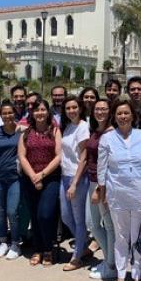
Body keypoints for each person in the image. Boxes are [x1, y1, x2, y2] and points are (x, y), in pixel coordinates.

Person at [98, 98, 141, 281]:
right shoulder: (107, 138)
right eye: (119, 113)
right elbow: (101, 168)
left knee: (138, 237)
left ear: (133, 115)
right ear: (114, 116)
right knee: (121, 237)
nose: (123, 116)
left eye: (126, 113)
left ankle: (137, 276)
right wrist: (103, 193)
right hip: (116, 194)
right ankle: (121, 276)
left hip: (139, 193)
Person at [18, 99, 62, 266]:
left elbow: (59, 156)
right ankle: (38, 249)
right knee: (35, 216)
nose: (40, 113)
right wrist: (33, 175)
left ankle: (48, 248)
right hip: (29, 178)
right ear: (32, 113)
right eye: (36, 110)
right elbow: (22, 156)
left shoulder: (55, 131)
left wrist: (42, 174)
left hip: (50, 177)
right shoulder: (26, 132)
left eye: (43, 109)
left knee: (45, 214)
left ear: (48, 112)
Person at [0, 101, 23, 260]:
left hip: (15, 177)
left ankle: (15, 243)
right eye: (4, 113)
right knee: (0, 212)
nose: (7, 116)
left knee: (12, 211)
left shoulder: (21, 131)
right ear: (0, 115)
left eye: (10, 113)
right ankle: (3, 242)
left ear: (15, 114)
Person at [59, 95, 91, 271]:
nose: (71, 111)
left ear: (80, 108)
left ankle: (77, 256)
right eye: (68, 108)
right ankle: (83, 243)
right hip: (65, 175)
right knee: (65, 216)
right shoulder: (69, 127)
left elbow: (84, 158)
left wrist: (74, 183)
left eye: (74, 107)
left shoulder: (83, 127)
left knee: (78, 219)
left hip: (76, 177)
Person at [86, 98, 116, 280]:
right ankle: (109, 259)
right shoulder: (96, 130)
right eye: (97, 109)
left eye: (104, 109)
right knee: (93, 225)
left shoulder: (111, 132)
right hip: (91, 180)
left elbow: (111, 162)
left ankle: (112, 266)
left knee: (109, 226)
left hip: (102, 183)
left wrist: (100, 187)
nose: (100, 112)